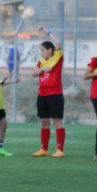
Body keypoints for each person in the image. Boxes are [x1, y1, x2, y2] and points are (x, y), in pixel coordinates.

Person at [33, 27, 66, 158]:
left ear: (50, 50)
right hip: (42, 95)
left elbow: (58, 43)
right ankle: (44, 149)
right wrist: (42, 70)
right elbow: (33, 73)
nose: (41, 53)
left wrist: (47, 32)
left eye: (42, 50)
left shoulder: (57, 57)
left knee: (57, 122)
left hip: (55, 95)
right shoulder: (41, 62)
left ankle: (60, 150)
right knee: (44, 122)